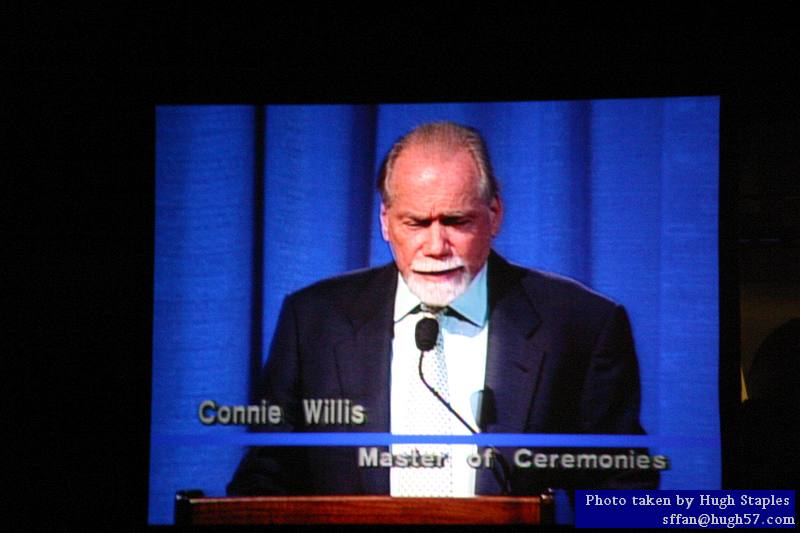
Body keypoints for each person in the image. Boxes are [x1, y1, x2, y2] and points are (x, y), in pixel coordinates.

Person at [228, 121, 657, 497]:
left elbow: (624, 495)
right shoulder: (314, 322)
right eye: (415, 223)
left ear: (494, 215)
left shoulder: (583, 326)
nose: (435, 247)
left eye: (456, 221)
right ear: (385, 222)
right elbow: (263, 483)